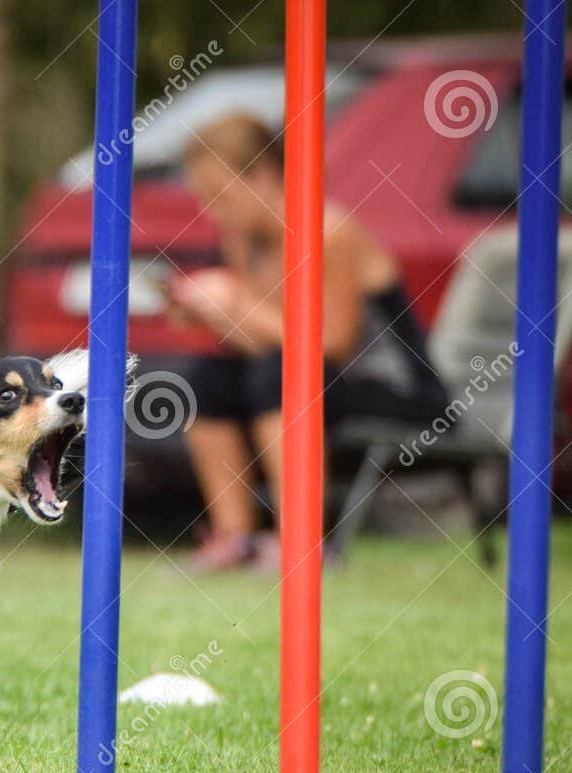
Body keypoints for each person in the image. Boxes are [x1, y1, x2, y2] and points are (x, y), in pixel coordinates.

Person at [164, 112, 448, 570]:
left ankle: (302, 541)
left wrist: (238, 303)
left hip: (396, 388)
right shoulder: (244, 240)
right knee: (205, 379)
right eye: (204, 199)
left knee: (278, 377)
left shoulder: (327, 231)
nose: (212, 212)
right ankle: (235, 537)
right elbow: (262, 338)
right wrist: (211, 313)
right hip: (311, 378)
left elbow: (332, 345)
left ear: (263, 174)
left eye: (220, 195)